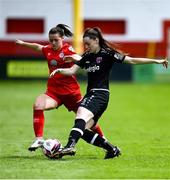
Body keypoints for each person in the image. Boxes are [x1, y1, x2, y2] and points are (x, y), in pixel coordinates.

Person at [50, 27, 168, 159]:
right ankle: (112, 150)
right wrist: (59, 70)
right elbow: (72, 71)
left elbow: (132, 60)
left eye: (88, 43)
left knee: (80, 115)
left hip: (100, 94)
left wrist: (156, 60)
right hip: (93, 94)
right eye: (85, 44)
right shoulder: (86, 56)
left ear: (96, 40)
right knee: (81, 130)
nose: (86, 46)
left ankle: (70, 146)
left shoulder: (108, 53)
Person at [15, 24, 105, 152]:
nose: (53, 42)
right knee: (38, 105)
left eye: (56, 40)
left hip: (71, 94)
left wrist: (75, 57)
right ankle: (39, 138)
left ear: (62, 38)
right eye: (51, 40)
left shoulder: (68, 50)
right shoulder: (48, 49)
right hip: (54, 93)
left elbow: (80, 59)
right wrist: (23, 43)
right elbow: (37, 47)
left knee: (88, 121)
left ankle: (103, 140)